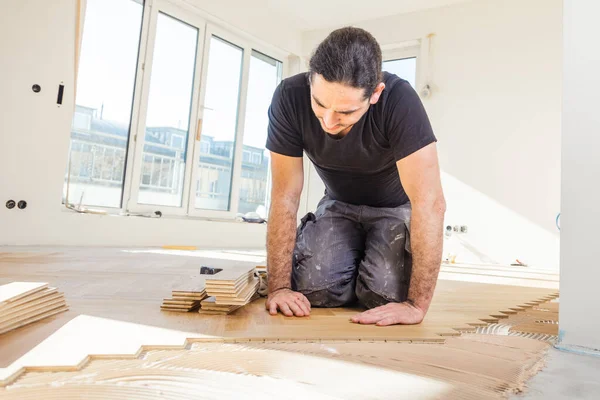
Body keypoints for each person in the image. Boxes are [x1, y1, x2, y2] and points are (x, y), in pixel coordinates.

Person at [264, 27, 446, 326]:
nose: (328, 121)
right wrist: (279, 287)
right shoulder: (288, 96)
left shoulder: (400, 101)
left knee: (384, 297)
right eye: (320, 104)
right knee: (313, 291)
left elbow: (430, 202)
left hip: (395, 209)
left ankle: (370, 265)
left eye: (346, 112)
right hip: (338, 205)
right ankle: (349, 259)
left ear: (375, 93)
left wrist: (416, 305)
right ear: (311, 79)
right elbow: (285, 194)